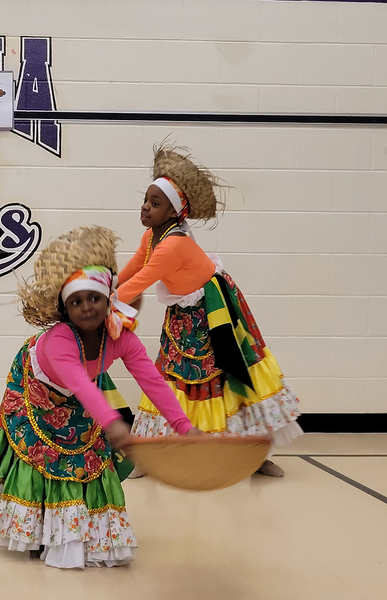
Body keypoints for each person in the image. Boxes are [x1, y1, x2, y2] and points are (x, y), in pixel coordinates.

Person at [0, 225, 201, 570]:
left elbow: (152, 380)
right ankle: (36, 529)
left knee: (82, 456)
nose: (86, 307)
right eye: (75, 301)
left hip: (77, 394)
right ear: (65, 308)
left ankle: (72, 529)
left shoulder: (119, 335)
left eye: (94, 298)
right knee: (40, 455)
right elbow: (81, 383)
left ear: (108, 299)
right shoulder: (61, 338)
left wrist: (184, 426)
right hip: (36, 387)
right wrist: (115, 426)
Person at [116, 143, 302, 477]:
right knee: (170, 374)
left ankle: (254, 454)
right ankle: (151, 453)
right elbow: (132, 268)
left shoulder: (172, 246)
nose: (145, 208)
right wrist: (105, 285)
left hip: (213, 313)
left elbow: (140, 281)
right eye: (145, 200)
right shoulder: (152, 236)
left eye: (154, 204)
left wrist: (104, 301)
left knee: (230, 375)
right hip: (183, 316)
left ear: (173, 213)